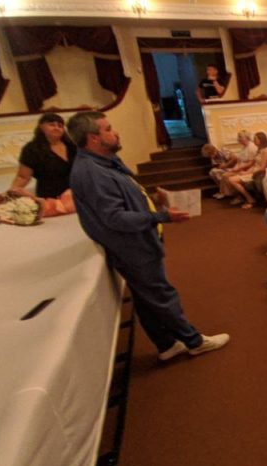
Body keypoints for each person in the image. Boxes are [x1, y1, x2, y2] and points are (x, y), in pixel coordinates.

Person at [66, 111, 229, 359]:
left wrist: (152, 200)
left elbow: (123, 199)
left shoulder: (103, 162)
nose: (115, 132)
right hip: (131, 246)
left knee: (146, 298)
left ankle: (166, 344)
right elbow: (114, 218)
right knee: (162, 295)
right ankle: (194, 342)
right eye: (108, 129)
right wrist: (161, 217)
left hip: (136, 241)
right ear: (93, 139)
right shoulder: (92, 172)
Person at [11, 112, 77, 199]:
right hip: (50, 197)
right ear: (41, 127)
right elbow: (22, 177)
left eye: (60, 126)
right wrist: (13, 191)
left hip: (78, 193)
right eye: (52, 125)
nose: (56, 128)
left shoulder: (72, 146)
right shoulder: (32, 149)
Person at [223, 131, 267, 209]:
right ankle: (244, 197)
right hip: (253, 171)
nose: (254, 140)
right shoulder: (259, 150)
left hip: (259, 173)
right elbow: (253, 164)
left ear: (261, 140)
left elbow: (262, 167)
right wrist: (246, 172)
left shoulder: (265, 151)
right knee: (230, 178)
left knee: (232, 180)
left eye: (256, 139)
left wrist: (248, 172)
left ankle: (250, 199)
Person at [214, 131, 257, 199]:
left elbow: (251, 163)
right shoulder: (244, 147)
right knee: (224, 175)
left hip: (248, 169)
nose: (238, 139)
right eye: (238, 137)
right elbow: (239, 160)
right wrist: (235, 167)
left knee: (226, 176)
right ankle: (233, 195)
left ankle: (238, 196)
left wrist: (238, 168)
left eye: (240, 137)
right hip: (241, 168)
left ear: (246, 138)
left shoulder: (251, 147)